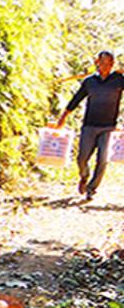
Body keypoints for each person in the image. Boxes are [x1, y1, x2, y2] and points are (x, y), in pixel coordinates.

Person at [57, 50, 124, 201]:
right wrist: (63, 117)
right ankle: (84, 176)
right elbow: (76, 99)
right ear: (97, 63)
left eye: (109, 63)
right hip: (89, 126)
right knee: (82, 158)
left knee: (103, 159)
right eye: (102, 63)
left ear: (113, 64)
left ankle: (91, 189)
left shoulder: (119, 79)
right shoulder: (89, 81)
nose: (105, 66)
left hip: (108, 127)